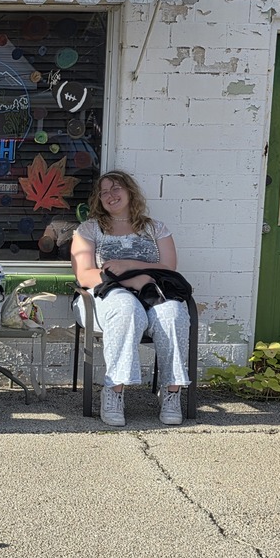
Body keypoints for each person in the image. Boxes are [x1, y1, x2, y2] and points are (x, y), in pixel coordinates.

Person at [70, 170, 191, 427]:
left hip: (153, 295)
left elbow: (169, 267)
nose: (110, 195)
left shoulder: (155, 228)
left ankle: (172, 392)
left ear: (130, 192)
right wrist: (128, 280)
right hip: (104, 297)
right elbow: (84, 275)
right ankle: (113, 391)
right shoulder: (89, 229)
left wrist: (129, 265)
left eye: (116, 189)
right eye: (104, 192)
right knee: (126, 309)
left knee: (175, 314)